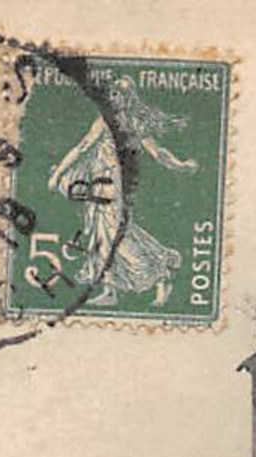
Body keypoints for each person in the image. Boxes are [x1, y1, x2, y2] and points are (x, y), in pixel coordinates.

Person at [47, 77, 199, 307]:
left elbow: (157, 152)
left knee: (113, 234)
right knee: (105, 233)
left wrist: (179, 165)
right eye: (112, 94)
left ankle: (159, 274)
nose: (113, 98)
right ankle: (114, 288)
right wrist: (58, 173)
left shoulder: (130, 123)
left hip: (112, 186)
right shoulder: (110, 121)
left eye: (119, 94)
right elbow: (84, 146)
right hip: (99, 184)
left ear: (128, 97)